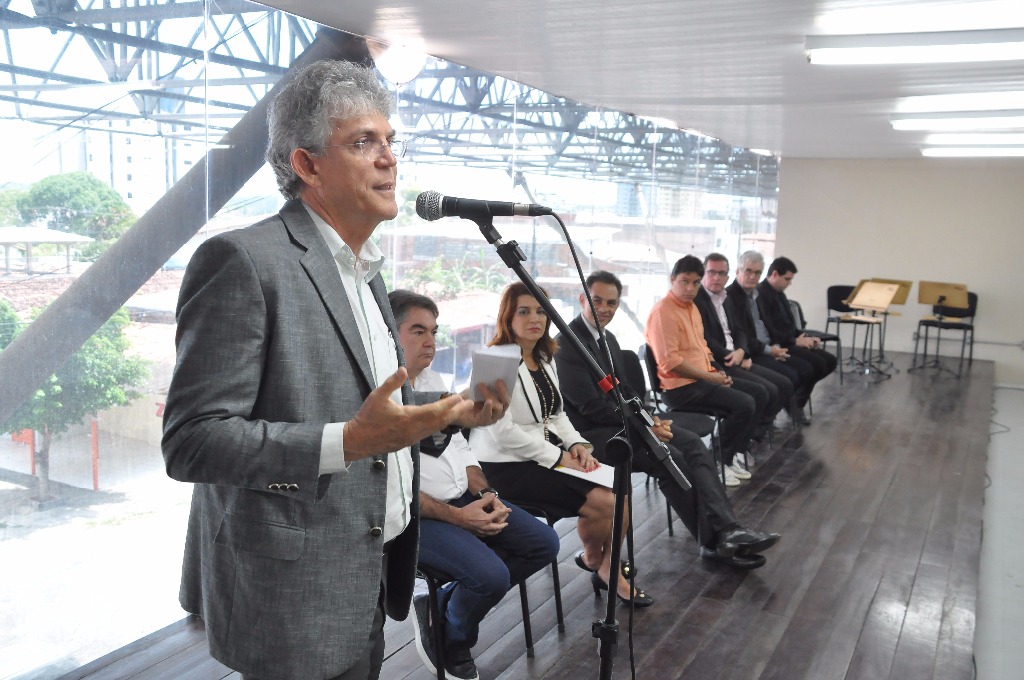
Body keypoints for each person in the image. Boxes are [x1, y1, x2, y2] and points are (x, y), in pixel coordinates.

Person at [161, 60, 508, 680]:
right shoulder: (242, 261)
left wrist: (450, 412)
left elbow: (374, 412)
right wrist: (346, 442)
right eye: (363, 142)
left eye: (390, 141)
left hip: (369, 571)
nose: (388, 159)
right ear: (308, 165)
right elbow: (193, 442)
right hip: (292, 591)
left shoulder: (366, 271)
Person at [555, 270, 779, 568]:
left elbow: (626, 389)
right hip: (591, 437)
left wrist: (650, 418)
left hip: (621, 424)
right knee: (668, 456)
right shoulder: (566, 344)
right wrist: (645, 425)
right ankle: (713, 543)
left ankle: (728, 530)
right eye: (597, 301)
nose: (604, 309)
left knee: (692, 444)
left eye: (611, 303)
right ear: (582, 299)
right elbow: (590, 408)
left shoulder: (607, 338)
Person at [389, 290, 559, 680]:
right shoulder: (380, 397)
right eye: (418, 331)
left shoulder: (433, 379)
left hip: (462, 498)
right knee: (490, 577)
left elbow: (461, 447)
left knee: (543, 543)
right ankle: (454, 636)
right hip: (416, 516)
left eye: (434, 332)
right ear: (389, 334)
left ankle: (439, 606)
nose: (431, 342)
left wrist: (486, 494)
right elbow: (392, 487)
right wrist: (459, 517)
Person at [470, 282, 655, 606]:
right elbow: (503, 433)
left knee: (619, 486)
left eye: (541, 311)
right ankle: (601, 564)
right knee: (606, 502)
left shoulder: (544, 356)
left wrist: (576, 444)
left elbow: (556, 415)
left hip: (543, 455)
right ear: (508, 317)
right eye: (524, 311)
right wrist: (558, 457)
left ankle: (602, 563)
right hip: (504, 465)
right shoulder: (493, 359)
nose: (535, 319)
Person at [645, 256, 759, 485]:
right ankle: (717, 462)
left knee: (757, 394)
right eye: (684, 281)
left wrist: (718, 372)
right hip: (679, 389)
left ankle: (725, 457)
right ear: (672, 280)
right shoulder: (663, 312)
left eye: (696, 283)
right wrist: (710, 377)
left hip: (700, 381)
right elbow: (670, 363)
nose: (690, 288)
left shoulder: (691, 308)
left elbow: (703, 348)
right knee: (744, 404)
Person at [695, 253, 794, 436]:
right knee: (764, 392)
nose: (717, 278)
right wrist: (735, 355)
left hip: (737, 357)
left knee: (782, 385)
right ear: (703, 274)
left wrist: (742, 351)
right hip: (719, 362)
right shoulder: (697, 300)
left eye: (722, 273)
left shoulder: (724, 297)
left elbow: (739, 330)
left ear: (728, 275)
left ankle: (749, 435)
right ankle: (736, 440)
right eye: (712, 272)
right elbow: (705, 339)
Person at [727, 251, 815, 424]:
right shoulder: (731, 297)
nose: (753, 276)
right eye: (748, 271)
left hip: (764, 347)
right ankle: (760, 424)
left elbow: (765, 326)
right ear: (737, 271)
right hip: (750, 353)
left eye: (757, 272)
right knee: (789, 379)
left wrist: (776, 346)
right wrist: (770, 350)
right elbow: (743, 336)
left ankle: (767, 419)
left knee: (804, 369)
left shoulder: (754, 295)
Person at [756, 256, 838, 407]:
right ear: (775, 274)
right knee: (814, 365)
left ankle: (795, 399)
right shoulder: (760, 295)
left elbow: (789, 324)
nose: (790, 283)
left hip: (788, 340)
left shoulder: (780, 293)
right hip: (778, 345)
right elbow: (770, 330)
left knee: (830, 361)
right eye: (787, 279)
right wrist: (794, 341)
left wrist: (805, 337)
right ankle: (794, 403)